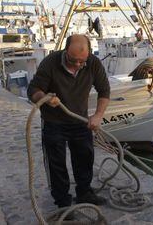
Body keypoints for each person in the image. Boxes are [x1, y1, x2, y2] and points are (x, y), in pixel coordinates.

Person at [27, 34, 110, 208]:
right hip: (54, 121)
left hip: (80, 120)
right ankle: (63, 202)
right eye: (73, 60)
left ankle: (84, 193)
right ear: (65, 51)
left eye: (82, 61)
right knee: (56, 163)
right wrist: (45, 97)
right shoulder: (50, 62)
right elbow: (33, 90)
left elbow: (104, 91)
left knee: (85, 158)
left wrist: (98, 115)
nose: (78, 65)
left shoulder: (93, 63)